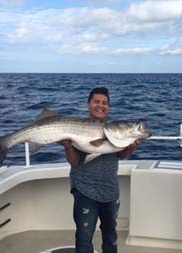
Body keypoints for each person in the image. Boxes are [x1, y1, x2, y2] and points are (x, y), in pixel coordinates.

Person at [60, 87, 140, 253]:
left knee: (111, 237)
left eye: (104, 103)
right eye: (96, 102)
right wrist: (68, 148)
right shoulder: (79, 127)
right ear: (88, 104)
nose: (100, 105)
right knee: (84, 237)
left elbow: (121, 155)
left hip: (110, 190)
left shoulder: (116, 128)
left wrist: (131, 148)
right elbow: (75, 163)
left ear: (109, 107)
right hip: (84, 190)